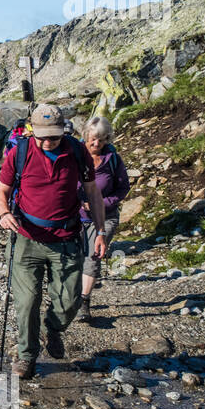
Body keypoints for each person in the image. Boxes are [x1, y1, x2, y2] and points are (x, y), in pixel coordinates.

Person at [0, 104, 108, 379]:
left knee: (70, 301)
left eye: (53, 137)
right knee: (26, 301)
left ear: (63, 132)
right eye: (42, 136)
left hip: (66, 237)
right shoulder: (19, 152)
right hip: (26, 239)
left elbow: (92, 191)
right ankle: (26, 357)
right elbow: (2, 191)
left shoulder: (77, 151)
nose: (47, 142)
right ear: (32, 130)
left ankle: (52, 328)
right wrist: (4, 213)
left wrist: (101, 231)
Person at [78, 115, 130, 323]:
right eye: (92, 139)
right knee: (73, 257)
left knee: (92, 256)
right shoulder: (75, 156)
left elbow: (123, 188)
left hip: (106, 217)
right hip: (77, 216)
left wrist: (103, 203)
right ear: (85, 136)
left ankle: (84, 302)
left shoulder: (113, 160)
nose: (96, 143)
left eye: (101, 139)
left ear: (107, 139)